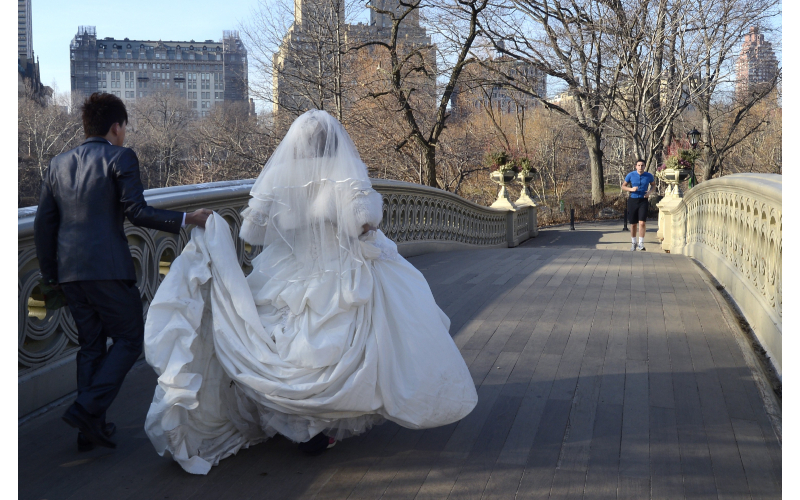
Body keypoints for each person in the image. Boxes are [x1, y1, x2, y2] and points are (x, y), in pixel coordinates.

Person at [143, 110, 479, 474]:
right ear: (333, 142)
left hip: (288, 272)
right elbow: (363, 224)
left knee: (288, 349)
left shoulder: (281, 177)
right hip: (339, 274)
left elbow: (252, 234)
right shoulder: (344, 173)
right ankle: (323, 423)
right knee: (344, 347)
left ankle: (303, 427)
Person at [33, 93, 213, 451]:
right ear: (116, 127)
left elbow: (43, 225)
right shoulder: (120, 157)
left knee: (91, 345)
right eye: (125, 128)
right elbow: (137, 212)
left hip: (70, 273)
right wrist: (187, 218)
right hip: (109, 269)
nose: (125, 135)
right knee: (131, 339)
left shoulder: (57, 163)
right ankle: (87, 410)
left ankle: (90, 430)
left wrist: (52, 275)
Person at [621, 159, 655, 251]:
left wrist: (649, 192)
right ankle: (633, 243)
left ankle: (641, 243)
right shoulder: (631, 175)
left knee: (642, 222)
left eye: (642, 165)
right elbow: (623, 186)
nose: (640, 167)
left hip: (643, 200)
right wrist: (631, 189)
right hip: (633, 200)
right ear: (636, 166)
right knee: (633, 224)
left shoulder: (649, 176)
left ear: (644, 166)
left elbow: (653, 185)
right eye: (639, 165)